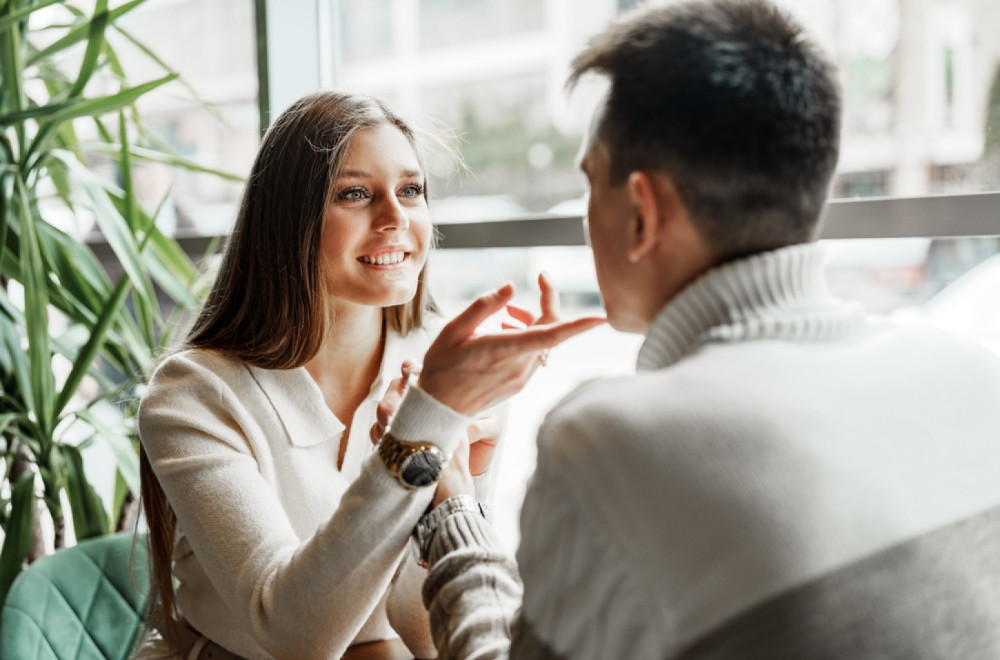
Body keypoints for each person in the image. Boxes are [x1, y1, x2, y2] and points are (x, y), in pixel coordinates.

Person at [375, 1, 1000, 658]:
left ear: (641, 211)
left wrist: (450, 511)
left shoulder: (608, 442)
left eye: (591, 183)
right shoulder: (976, 374)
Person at [133, 91, 604, 660]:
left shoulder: (446, 363)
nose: (396, 219)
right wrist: (419, 434)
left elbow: (427, 632)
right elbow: (294, 635)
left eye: (411, 190)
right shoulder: (191, 396)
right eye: (356, 194)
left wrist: (441, 488)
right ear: (288, 219)